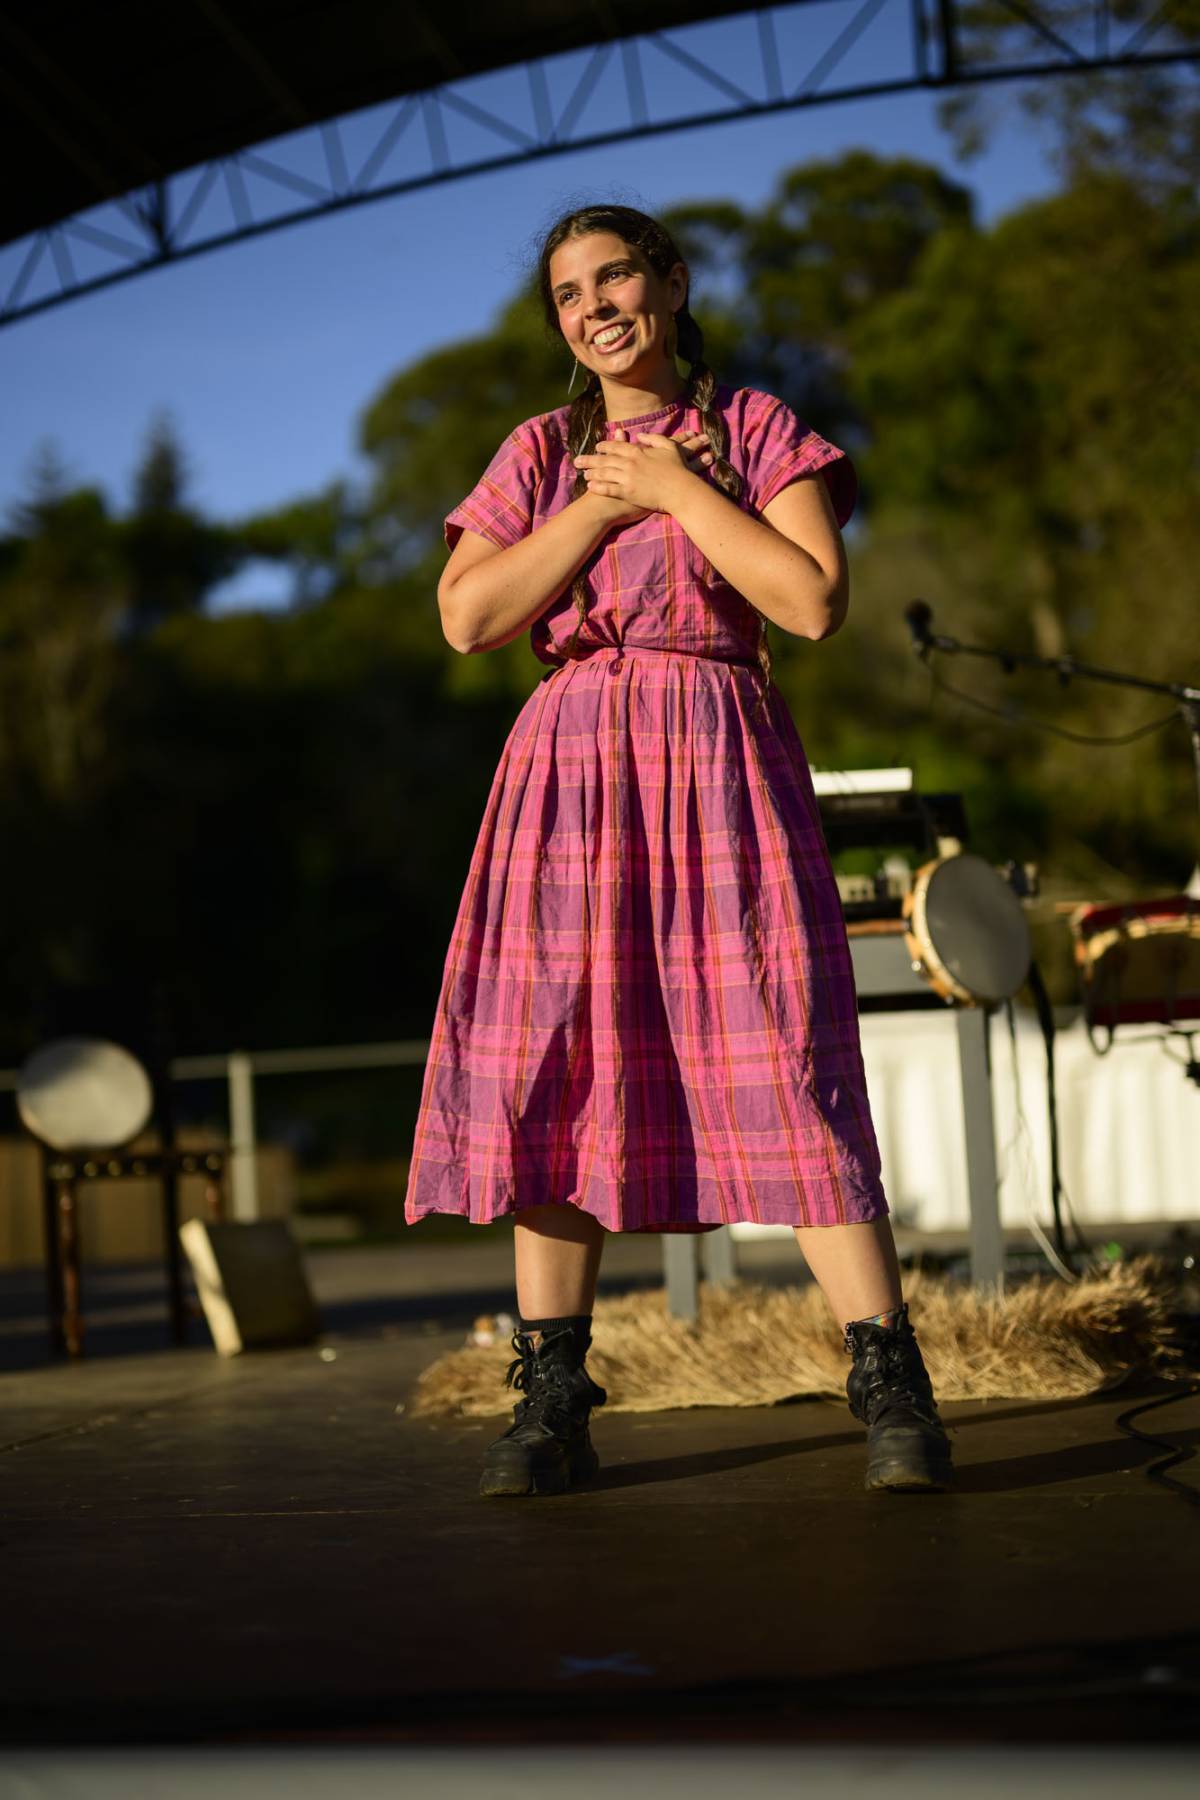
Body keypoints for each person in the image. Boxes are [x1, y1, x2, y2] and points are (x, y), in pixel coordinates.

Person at [403, 202, 953, 1499]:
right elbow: (469, 616)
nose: (593, 305)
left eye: (616, 278)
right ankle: (551, 1394)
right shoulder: (541, 450)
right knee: (556, 1056)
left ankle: (887, 1379)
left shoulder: (757, 431)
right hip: (569, 772)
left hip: (716, 757)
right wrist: (594, 515)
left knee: (779, 1041)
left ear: (671, 285)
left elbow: (810, 600)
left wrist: (672, 488)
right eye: (567, 292)